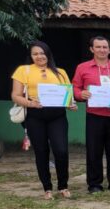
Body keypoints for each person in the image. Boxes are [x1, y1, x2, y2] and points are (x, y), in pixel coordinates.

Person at [11, 41, 76, 199]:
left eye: (42, 53)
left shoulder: (60, 72)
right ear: (31, 56)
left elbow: (68, 94)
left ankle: (63, 186)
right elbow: (15, 95)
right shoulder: (23, 70)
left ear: (48, 54)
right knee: (41, 152)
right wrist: (31, 103)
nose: (39, 56)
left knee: (61, 150)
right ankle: (47, 188)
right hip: (35, 115)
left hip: (57, 116)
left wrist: (71, 104)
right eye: (35, 54)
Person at [71, 35, 110, 194]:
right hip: (94, 115)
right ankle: (94, 184)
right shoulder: (82, 68)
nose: (102, 50)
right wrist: (80, 94)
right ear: (92, 49)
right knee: (94, 151)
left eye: (105, 47)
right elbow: (75, 88)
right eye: (98, 47)